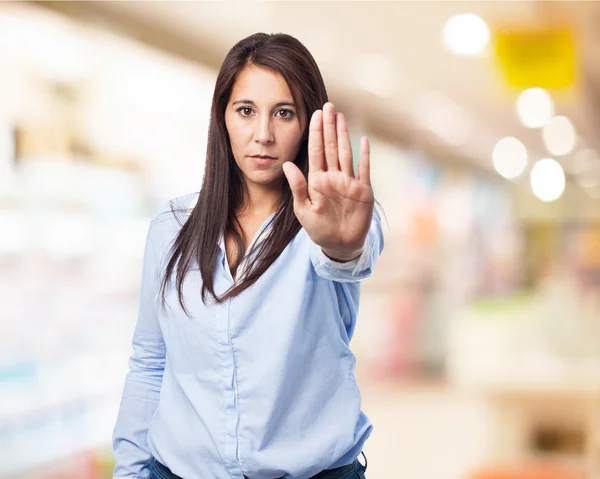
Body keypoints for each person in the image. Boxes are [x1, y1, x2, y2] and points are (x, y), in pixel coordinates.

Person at [112, 32, 384, 479]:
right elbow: (149, 363)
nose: (263, 135)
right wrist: (129, 472)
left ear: (308, 123)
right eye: (245, 111)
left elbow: (350, 253)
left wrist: (342, 242)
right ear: (222, 118)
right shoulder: (172, 227)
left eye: (284, 113)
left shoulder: (331, 223)